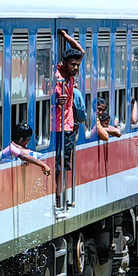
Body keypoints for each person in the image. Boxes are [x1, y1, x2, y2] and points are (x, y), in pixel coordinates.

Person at [52, 29, 86, 208]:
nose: (75, 67)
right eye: (72, 64)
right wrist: (56, 100)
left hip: (68, 125)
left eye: (77, 65)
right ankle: (57, 197)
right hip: (55, 126)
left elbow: (81, 51)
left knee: (64, 163)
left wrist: (66, 37)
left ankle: (60, 194)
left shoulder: (71, 77)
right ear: (64, 63)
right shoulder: (56, 77)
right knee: (57, 163)